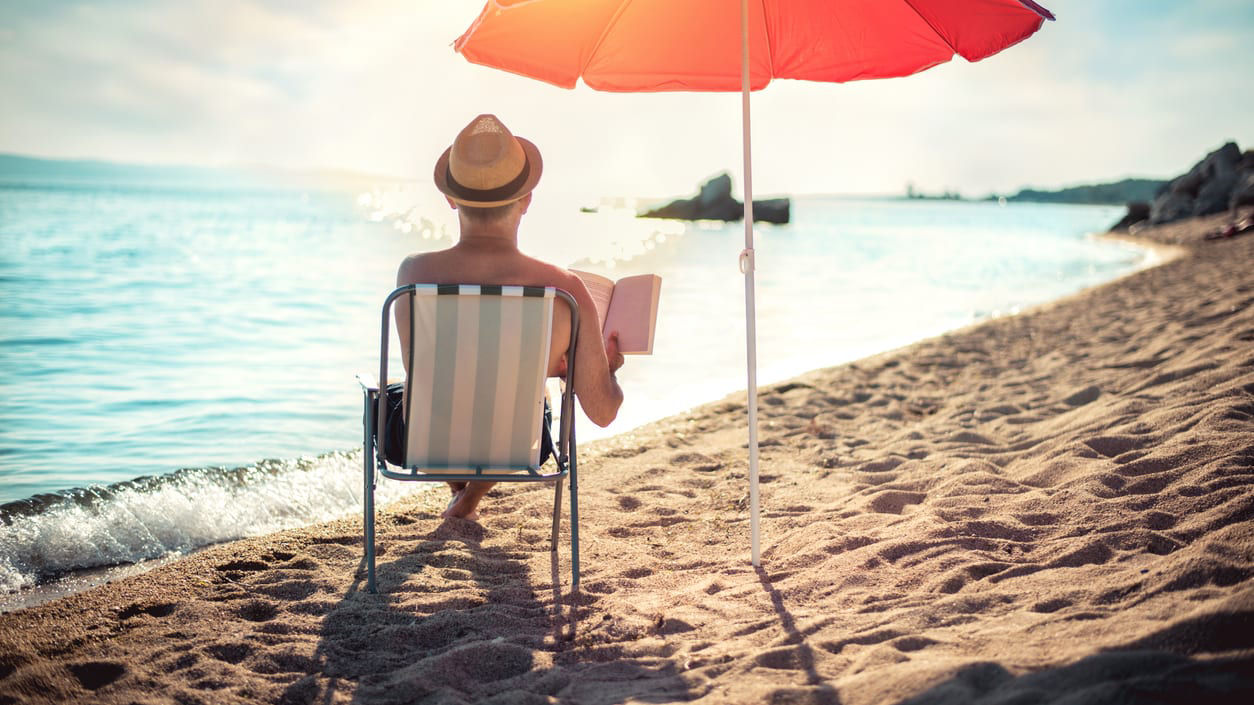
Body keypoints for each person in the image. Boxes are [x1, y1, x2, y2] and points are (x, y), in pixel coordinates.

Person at [392, 114, 625, 520]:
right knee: (527, 396)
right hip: (522, 443)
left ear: (450, 198)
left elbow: (426, 370)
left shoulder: (414, 275)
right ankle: (469, 498)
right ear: (527, 200)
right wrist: (610, 369)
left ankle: (461, 494)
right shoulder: (564, 288)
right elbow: (603, 412)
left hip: (419, 443)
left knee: (417, 389)